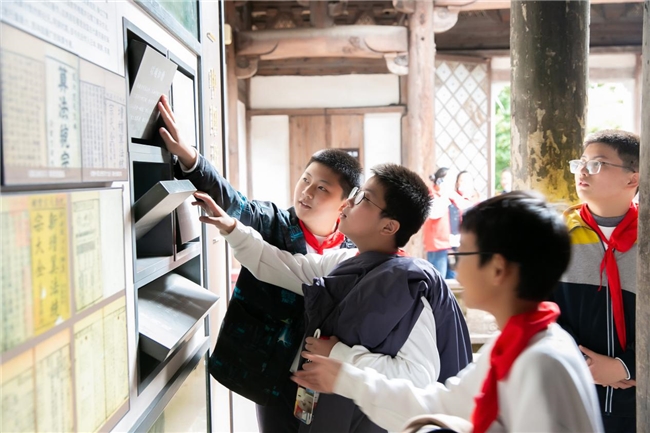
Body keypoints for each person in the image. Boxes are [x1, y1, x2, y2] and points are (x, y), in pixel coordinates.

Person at [289, 192, 604, 433]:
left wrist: (349, 376)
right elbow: (441, 405)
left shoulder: (540, 362)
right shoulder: (515, 345)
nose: (456, 267)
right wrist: (347, 379)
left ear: (497, 269)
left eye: (463, 253)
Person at [194, 163, 472, 433]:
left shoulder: (406, 287)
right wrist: (231, 228)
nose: (348, 203)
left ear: (389, 227)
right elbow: (281, 266)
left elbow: (417, 378)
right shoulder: (345, 260)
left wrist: (338, 354)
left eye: (363, 199)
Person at [157, 95, 362, 433]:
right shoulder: (273, 222)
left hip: (323, 375)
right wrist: (190, 157)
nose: (307, 192)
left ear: (344, 204)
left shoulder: (353, 250)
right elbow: (234, 203)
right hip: (268, 367)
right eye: (305, 179)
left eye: (322, 188)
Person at [553, 130, 640, 433]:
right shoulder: (556, 237)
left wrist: (626, 366)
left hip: (639, 403)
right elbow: (537, 311)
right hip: (571, 397)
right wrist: (584, 365)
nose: (583, 171)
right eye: (581, 163)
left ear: (632, 178)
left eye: (597, 164)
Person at [424, 168, 453, 278]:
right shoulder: (432, 194)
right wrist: (444, 194)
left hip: (445, 243)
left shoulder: (443, 195)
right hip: (437, 244)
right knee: (439, 279)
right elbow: (435, 213)